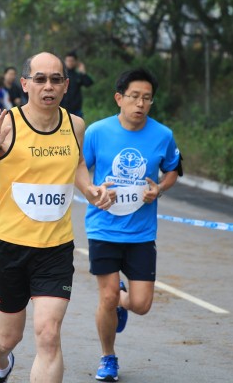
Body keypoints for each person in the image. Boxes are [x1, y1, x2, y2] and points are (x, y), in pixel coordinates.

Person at [0, 52, 112, 383]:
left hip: (56, 247)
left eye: (55, 79)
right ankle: (0, 364)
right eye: (40, 79)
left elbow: (78, 164)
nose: (48, 86)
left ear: (66, 85)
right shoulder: (6, 125)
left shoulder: (75, 125)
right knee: (8, 338)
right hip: (7, 245)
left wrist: (91, 190)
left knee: (49, 334)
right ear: (25, 84)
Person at [82, 68, 182, 382]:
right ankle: (108, 357)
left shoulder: (163, 135)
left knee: (141, 305)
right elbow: (78, 169)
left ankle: (122, 300)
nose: (140, 103)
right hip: (103, 227)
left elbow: (173, 170)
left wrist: (159, 189)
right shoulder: (97, 132)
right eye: (134, 96)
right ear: (119, 98)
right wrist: (94, 190)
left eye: (147, 98)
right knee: (107, 297)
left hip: (141, 233)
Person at [60, 51, 94, 118]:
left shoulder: (78, 75)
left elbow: (89, 83)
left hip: (76, 110)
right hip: (62, 109)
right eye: (68, 61)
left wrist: (83, 73)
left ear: (75, 62)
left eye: (71, 61)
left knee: (78, 124)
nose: (69, 63)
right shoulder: (61, 75)